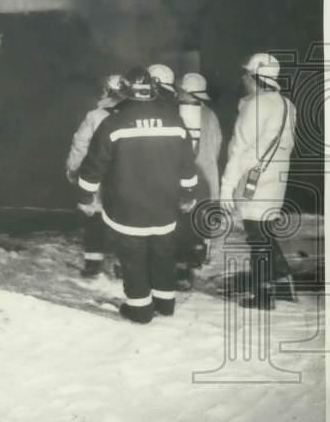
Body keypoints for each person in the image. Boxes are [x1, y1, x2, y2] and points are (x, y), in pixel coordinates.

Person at [77, 67, 198, 323]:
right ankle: (165, 303)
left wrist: (86, 195)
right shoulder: (174, 121)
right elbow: (188, 164)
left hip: (127, 208)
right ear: (153, 90)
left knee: (133, 256)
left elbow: (94, 164)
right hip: (165, 204)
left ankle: (140, 309)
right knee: (163, 252)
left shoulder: (113, 123)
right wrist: (188, 193)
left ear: (125, 91)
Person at [220, 52, 297, 309]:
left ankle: (263, 296)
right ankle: (283, 281)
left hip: (254, 178)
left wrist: (227, 187)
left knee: (257, 236)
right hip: (276, 179)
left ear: (255, 77)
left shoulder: (256, 105)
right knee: (264, 231)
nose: (243, 78)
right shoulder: (287, 104)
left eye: (246, 74)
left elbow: (239, 150)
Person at [65, 74, 124, 277]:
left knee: (94, 215)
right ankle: (123, 264)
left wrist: (73, 168)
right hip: (126, 175)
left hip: (98, 173)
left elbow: (80, 144)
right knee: (125, 219)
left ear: (106, 91)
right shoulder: (133, 114)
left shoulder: (95, 115)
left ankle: (93, 262)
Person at [174, 72, 223, 289]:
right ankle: (195, 256)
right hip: (205, 176)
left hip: (182, 177)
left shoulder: (175, 113)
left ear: (185, 91)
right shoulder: (210, 115)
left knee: (181, 221)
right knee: (197, 219)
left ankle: (181, 270)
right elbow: (218, 144)